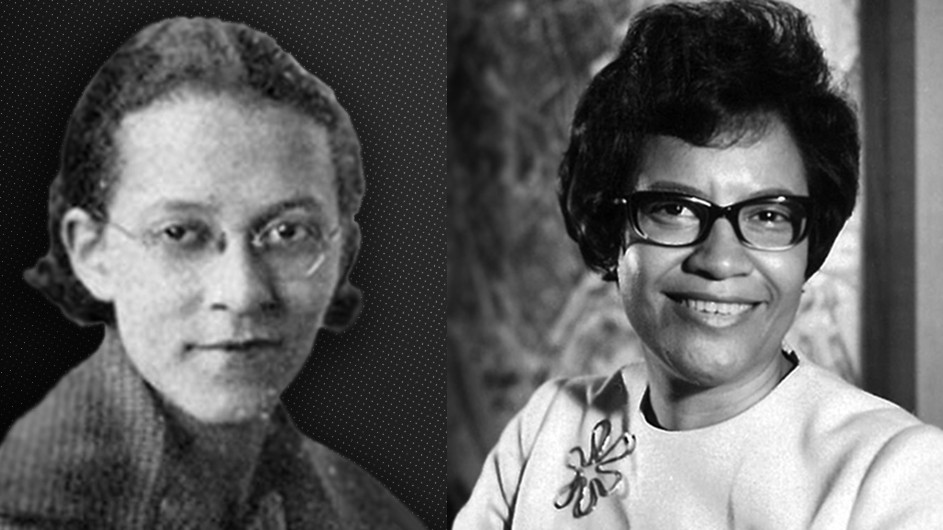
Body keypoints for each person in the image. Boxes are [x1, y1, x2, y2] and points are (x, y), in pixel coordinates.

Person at [453, 0, 943, 528]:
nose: (720, 259)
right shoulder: (549, 430)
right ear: (611, 226)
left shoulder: (898, 475)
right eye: (675, 209)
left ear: (809, 243)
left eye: (768, 215)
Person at [0, 17, 424, 529]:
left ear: (343, 253)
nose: (242, 292)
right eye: (180, 233)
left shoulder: (369, 515)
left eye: (289, 233)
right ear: (92, 253)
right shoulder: (25, 509)